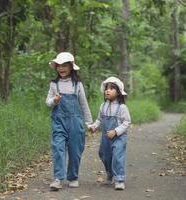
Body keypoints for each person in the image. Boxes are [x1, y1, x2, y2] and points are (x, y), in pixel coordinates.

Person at [46, 52, 92, 191]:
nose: (61, 68)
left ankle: (73, 176)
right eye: (58, 66)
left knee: (75, 149)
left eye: (64, 65)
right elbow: (48, 102)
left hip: (75, 121)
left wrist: (89, 122)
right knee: (58, 148)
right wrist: (54, 100)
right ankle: (58, 178)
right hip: (58, 121)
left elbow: (83, 104)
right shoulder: (54, 84)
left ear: (71, 67)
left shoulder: (77, 85)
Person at [89, 76, 131, 190]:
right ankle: (110, 173)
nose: (108, 90)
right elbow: (99, 119)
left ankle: (119, 179)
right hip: (105, 137)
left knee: (117, 156)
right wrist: (94, 127)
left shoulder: (122, 107)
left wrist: (116, 131)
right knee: (104, 155)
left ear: (118, 93)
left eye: (112, 88)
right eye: (106, 88)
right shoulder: (103, 106)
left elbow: (127, 122)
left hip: (119, 137)